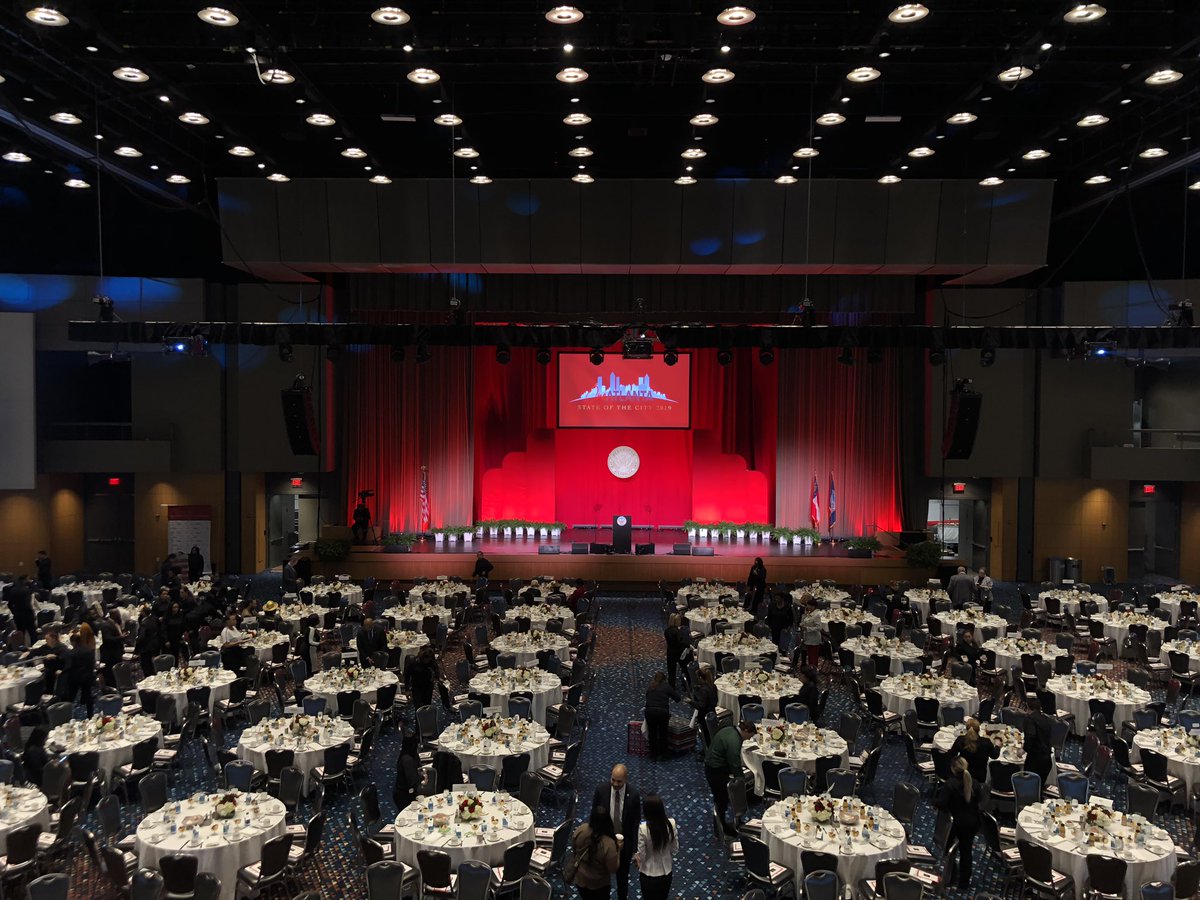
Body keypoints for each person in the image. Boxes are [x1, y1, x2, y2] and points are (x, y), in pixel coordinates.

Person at [590, 765, 641, 900]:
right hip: (604, 842)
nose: (615, 784)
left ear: (626, 779)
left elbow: (636, 823)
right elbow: (593, 816)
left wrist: (635, 849)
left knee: (622, 878)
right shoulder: (601, 790)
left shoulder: (634, 795)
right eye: (613, 780)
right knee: (601, 878)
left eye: (619, 781)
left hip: (624, 844)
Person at [936, 756, 980, 889]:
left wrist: (934, 802)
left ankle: (951, 876)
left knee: (948, 849)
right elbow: (980, 799)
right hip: (972, 823)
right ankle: (964, 882)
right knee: (966, 851)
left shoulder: (950, 785)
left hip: (955, 824)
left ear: (953, 769)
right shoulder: (975, 783)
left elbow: (942, 803)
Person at [704, 720, 755, 834]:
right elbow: (734, 762)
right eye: (749, 736)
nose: (748, 739)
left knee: (721, 799)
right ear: (745, 731)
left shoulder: (729, 729)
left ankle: (721, 824)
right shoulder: (735, 740)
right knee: (721, 799)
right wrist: (741, 779)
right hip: (716, 771)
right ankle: (720, 828)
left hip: (712, 766)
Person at [571, 805, 620, 900]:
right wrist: (618, 851)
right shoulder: (609, 843)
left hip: (581, 880)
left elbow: (574, 852)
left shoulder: (581, 830)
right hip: (599, 885)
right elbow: (613, 868)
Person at [635, 793, 678, 900]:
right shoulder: (671, 823)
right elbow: (675, 849)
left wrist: (636, 859)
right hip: (666, 872)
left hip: (648, 874)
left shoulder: (643, 828)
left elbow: (642, 855)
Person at [643, 672, 680, 760]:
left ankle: (653, 754)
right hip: (662, 713)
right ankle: (664, 754)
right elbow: (677, 698)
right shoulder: (666, 686)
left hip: (649, 712)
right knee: (663, 732)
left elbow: (647, 698)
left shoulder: (651, 686)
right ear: (664, 679)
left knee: (652, 733)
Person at [950, 718, 999, 782]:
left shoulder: (960, 740)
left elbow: (952, 754)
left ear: (966, 729)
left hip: (963, 775)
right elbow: (994, 756)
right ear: (979, 730)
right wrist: (997, 746)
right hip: (980, 777)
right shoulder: (986, 742)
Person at [66, 632, 96, 717]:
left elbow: (69, 666)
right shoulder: (88, 650)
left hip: (75, 678)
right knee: (88, 696)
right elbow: (92, 663)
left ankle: (68, 715)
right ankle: (90, 715)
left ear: (73, 642)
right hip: (87, 676)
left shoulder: (71, 653)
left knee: (71, 698)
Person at [393, 728, 423, 811]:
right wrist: (422, 777)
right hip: (404, 796)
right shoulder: (407, 760)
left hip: (407, 791)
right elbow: (412, 781)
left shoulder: (409, 754)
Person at [1022, 707, 1054, 784]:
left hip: (1034, 762)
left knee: (1028, 787)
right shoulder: (1046, 719)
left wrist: (1023, 749)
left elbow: (1030, 737)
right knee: (1039, 788)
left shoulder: (1029, 720)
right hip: (1047, 759)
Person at [97, 609, 125, 689]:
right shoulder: (106, 625)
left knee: (116, 673)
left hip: (116, 652)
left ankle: (117, 687)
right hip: (110, 654)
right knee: (110, 674)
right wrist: (120, 637)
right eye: (117, 614)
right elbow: (107, 639)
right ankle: (111, 689)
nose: (119, 615)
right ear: (113, 615)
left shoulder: (114, 623)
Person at [407, 645, 440, 710]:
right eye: (426, 659)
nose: (428, 661)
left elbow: (436, 668)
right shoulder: (414, 662)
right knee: (419, 707)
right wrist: (407, 689)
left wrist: (437, 677)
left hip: (428, 685)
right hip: (417, 686)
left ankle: (426, 719)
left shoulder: (431, 661)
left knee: (427, 705)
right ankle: (418, 719)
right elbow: (407, 675)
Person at [663, 614, 690, 690]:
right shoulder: (678, 631)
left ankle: (671, 686)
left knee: (671, 671)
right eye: (679, 620)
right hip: (679, 653)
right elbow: (682, 641)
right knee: (684, 669)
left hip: (670, 653)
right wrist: (689, 645)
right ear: (676, 621)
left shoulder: (667, 631)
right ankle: (686, 685)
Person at [7, 576, 34, 645]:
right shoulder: (26, 590)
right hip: (27, 614)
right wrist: (32, 612)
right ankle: (34, 646)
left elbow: (9, 604)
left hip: (18, 615)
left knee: (21, 633)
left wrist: (14, 612)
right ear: (24, 581)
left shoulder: (12, 591)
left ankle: (21, 648)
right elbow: (28, 604)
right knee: (32, 633)